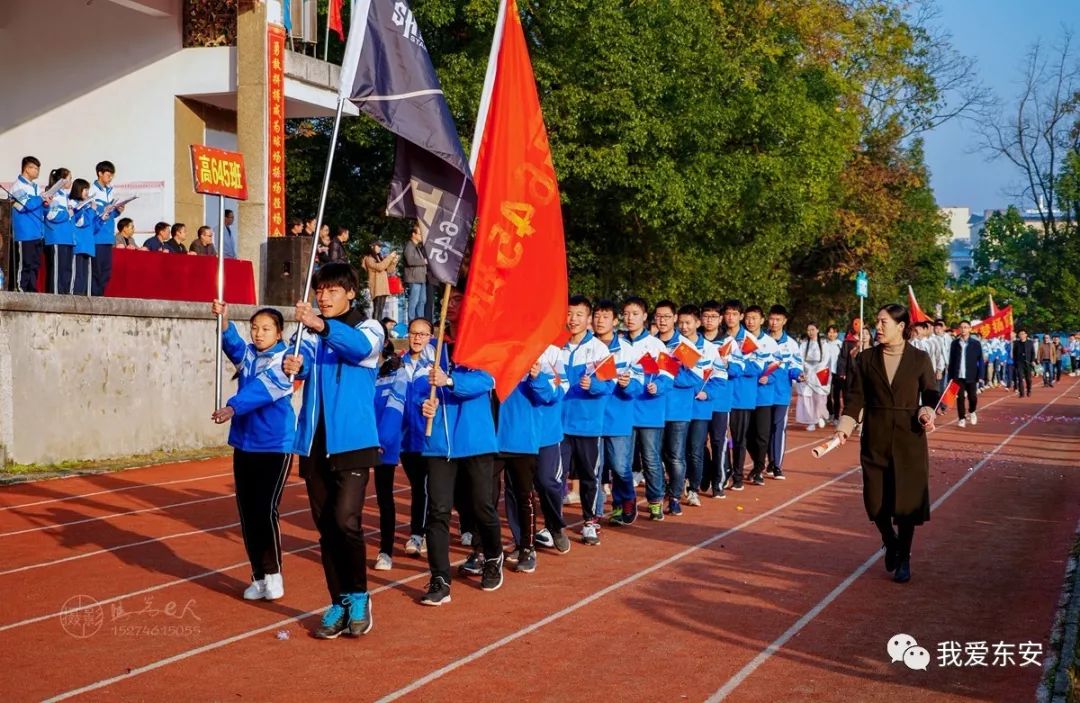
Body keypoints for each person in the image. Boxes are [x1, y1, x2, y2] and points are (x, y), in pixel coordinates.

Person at [282, 262, 383, 638]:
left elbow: (359, 349)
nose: (323, 297)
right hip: (313, 442)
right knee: (327, 529)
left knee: (346, 521)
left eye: (332, 291)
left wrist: (321, 327)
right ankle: (338, 600)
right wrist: (294, 363)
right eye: (320, 290)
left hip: (353, 441)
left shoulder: (368, 328)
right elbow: (301, 364)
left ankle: (359, 595)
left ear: (351, 293)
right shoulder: (310, 333)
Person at [835, 304, 940, 584]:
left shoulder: (919, 358)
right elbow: (855, 399)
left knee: (906, 503)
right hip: (876, 435)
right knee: (875, 500)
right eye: (877, 322)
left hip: (909, 437)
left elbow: (930, 392)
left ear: (901, 326)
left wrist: (925, 411)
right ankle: (889, 540)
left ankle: (904, 556)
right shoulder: (866, 359)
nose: (877, 327)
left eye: (883, 322)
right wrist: (844, 429)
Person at [414, 288, 504, 605]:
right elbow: (418, 385)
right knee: (438, 511)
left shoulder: (484, 346)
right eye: (448, 302)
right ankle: (439, 579)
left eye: (458, 302)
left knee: (482, 505)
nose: (451, 307)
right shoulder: (434, 348)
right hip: (439, 443)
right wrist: (422, 405)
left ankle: (493, 555)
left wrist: (451, 381)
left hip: (475, 440)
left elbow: (487, 380)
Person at [209, 301, 295, 601]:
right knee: (247, 511)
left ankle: (273, 572)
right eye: (255, 328)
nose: (259, 334)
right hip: (245, 443)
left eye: (266, 329)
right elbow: (233, 345)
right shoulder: (249, 355)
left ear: (279, 332)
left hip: (274, 444)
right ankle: (258, 576)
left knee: (264, 509)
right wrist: (224, 320)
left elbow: (263, 390)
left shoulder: (287, 360)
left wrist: (232, 407)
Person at [559, 295, 615, 541]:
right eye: (569, 314)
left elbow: (610, 385)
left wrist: (593, 385)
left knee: (589, 476)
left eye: (579, 315)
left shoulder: (598, 349)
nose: (573, 319)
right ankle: (553, 523)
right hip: (557, 424)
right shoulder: (556, 345)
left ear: (588, 318)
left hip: (587, 424)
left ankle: (590, 521)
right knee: (554, 476)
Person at [623, 297, 673, 519]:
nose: (630, 318)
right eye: (626, 314)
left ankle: (655, 500)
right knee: (622, 462)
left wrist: (658, 386)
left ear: (644, 317)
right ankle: (625, 501)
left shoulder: (656, 345)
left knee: (651, 459)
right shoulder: (618, 343)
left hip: (649, 411)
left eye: (635, 314)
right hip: (623, 411)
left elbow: (669, 375)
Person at [592, 300, 641, 524]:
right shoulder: (588, 348)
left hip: (618, 415)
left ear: (614, 321)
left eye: (605, 317)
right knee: (594, 467)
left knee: (620, 466)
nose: (599, 321)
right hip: (591, 417)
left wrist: (627, 384)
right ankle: (594, 510)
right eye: (597, 316)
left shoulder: (627, 350)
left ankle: (626, 500)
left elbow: (638, 384)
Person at [397, 318, 436, 559]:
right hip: (404, 438)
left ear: (431, 336)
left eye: (423, 334)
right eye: (414, 333)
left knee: (426, 487)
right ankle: (422, 531)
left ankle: (419, 533)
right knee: (417, 487)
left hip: (428, 437)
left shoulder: (436, 366)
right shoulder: (398, 364)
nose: (417, 338)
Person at [654, 300, 696, 516]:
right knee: (654, 457)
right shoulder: (650, 344)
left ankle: (676, 496)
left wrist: (672, 372)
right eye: (659, 316)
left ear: (675, 318)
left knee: (676, 456)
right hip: (653, 409)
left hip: (678, 410)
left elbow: (695, 379)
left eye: (667, 317)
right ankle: (658, 495)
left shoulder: (684, 346)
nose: (662, 321)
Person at [676, 304, 720, 507]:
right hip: (677, 407)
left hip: (700, 409)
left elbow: (720, 379)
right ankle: (677, 484)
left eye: (688, 323)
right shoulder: (673, 346)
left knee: (696, 449)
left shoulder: (710, 350)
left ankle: (693, 488)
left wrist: (707, 393)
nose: (684, 327)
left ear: (697, 323)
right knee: (677, 450)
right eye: (681, 322)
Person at [371, 349, 408, 572]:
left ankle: (385, 551)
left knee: (384, 497)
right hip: (359, 441)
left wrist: (382, 440)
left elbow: (395, 409)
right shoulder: (365, 371)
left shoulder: (398, 373)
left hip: (383, 445)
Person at [699, 300, 738, 499]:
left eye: (713, 317)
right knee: (697, 442)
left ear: (720, 319)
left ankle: (719, 481)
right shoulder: (694, 341)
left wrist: (727, 365)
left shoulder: (728, 342)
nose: (709, 320)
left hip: (721, 401)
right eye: (706, 316)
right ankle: (704, 475)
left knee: (718, 441)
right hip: (698, 400)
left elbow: (739, 368)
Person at [743, 305, 780, 486]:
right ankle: (758, 462)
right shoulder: (739, 340)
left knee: (762, 434)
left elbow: (776, 365)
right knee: (747, 435)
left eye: (754, 318)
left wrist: (768, 376)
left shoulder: (770, 342)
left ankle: (758, 469)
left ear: (761, 320)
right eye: (748, 318)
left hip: (764, 396)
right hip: (744, 395)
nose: (750, 321)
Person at [764, 305, 802, 480]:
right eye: (772, 319)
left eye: (778, 319)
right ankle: (763, 462)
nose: (774, 323)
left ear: (784, 321)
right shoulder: (761, 340)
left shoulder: (791, 344)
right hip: (762, 392)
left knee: (778, 428)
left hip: (781, 393)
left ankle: (776, 464)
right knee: (763, 429)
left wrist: (798, 375)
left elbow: (795, 366)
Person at [722, 300, 753, 491]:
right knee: (720, 438)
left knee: (739, 438)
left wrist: (734, 366)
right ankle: (723, 473)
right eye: (727, 313)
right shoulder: (720, 337)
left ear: (741, 316)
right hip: (722, 395)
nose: (730, 317)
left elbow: (756, 366)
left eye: (734, 314)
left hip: (742, 396)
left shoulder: (749, 340)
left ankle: (738, 476)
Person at [11, 156, 46, 292]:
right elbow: (26, 205)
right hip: (24, 232)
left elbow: (38, 206)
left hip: (37, 232)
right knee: (24, 264)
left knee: (34, 265)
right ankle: (20, 290)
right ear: (27, 168)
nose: (37, 171)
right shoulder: (18, 186)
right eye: (35, 168)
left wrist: (45, 201)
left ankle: (31, 291)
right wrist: (40, 198)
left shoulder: (35, 187)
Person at [88, 160, 123, 296]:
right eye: (108, 175)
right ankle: (94, 298)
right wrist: (104, 209)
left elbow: (110, 215)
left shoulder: (111, 191)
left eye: (112, 175)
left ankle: (100, 296)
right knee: (96, 271)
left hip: (108, 236)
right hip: (97, 236)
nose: (110, 178)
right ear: (100, 173)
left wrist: (118, 211)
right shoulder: (92, 190)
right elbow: (92, 213)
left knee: (106, 272)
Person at [796, 323, 837, 431]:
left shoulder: (824, 344)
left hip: (819, 374)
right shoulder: (804, 344)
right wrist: (807, 368)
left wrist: (815, 369)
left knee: (819, 399)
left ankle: (820, 416)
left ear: (818, 330)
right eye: (808, 330)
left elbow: (826, 359)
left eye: (813, 329)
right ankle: (811, 421)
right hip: (807, 374)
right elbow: (800, 358)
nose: (810, 332)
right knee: (808, 398)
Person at [44, 168, 75, 295]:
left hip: (67, 238)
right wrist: (67, 213)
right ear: (62, 180)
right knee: (57, 271)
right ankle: (55, 299)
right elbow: (52, 216)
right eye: (69, 178)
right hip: (56, 238)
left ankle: (64, 297)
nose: (71, 181)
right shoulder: (54, 194)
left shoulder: (67, 196)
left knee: (66, 271)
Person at [947, 321, 982, 427]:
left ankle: (972, 411)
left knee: (973, 397)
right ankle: (961, 418)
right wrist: (950, 377)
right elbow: (951, 360)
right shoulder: (955, 343)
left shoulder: (976, 344)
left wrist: (980, 375)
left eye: (966, 327)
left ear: (970, 329)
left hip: (971, 375)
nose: (963, 329)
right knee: (960, 397)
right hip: (958, 375)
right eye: (961, 327)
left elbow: (980, 360)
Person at [69, 179, 96, 297]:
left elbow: (93, 225)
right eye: (85, 189)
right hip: (78, 244)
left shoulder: (86, 206)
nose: (87, 192)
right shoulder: (73, 203)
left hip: (88, 244)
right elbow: (81, 222)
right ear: (78, 189)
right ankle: (75, 298)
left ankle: (84, 299)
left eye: (88, 190)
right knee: (77, 275)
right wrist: (91, 210)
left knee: (85, 276)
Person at [362, 241, 399, 321]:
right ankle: (375, 325)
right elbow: (380, 267)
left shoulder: (379, 257)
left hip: (383, 287)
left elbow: (389, 270)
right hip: (377, 287)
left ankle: (379, 325)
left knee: (381, 309)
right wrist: (389, 257)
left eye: (380, 246)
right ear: (372, 246)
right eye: (378, 246)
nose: (380, 248)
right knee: (377, 308)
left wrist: (393, 261)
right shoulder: (368, 258)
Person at [403, 224, 428, 322]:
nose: (421, 236)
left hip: (421, 278)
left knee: (422, 301)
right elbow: (410, 260)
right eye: (419, 234)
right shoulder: (409, 246)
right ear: (413, 234)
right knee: (414, 302)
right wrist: (424, 261)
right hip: (414, 278)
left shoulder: (417, 247)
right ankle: (411, 323)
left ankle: (420, 322)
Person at [824, 325, 844, 423]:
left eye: (834, 332)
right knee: (827, 394)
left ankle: (836, 416)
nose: (832, 334)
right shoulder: (824, 344)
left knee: (836, 395)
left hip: (837, 373)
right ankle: (830, 413)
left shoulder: (840, 344)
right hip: (826, 372)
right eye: (830, 332)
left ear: (837, 333)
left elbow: (843, 359)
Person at [1012, 330, 1036, 397]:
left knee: (1028, 379)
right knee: (1020, 378)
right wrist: (1015, 362)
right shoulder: (1016, 343)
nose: (1021, 335)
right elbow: (1014, 353)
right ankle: (1021, 393)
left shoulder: (1030, 342)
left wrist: (1033, 360)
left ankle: (1029, 390)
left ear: (1026, 335)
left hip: (1028, 362)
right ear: (1018, 335)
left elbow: (1033, 352)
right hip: (1020, 363)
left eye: (1023, 334)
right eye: (1020, 334)